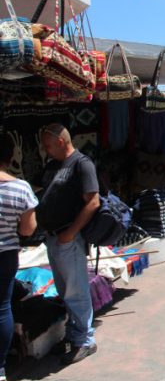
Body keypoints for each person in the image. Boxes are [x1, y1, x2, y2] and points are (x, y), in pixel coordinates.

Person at [37, 123, 100, 365]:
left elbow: (92, 202)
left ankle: (85, 341)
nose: (45, 150)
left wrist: (71, 233)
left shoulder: (81, 164)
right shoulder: (54, 165)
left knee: (76, 291)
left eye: (48, 145)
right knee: (66, 291)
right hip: (55, 237)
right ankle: (74, 335)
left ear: (61, 142)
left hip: (68, 238)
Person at [0, 134, 38, 381]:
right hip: (5, 255)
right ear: (11, 157)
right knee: (2, 308)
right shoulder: (20, 188)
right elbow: (28, 230)